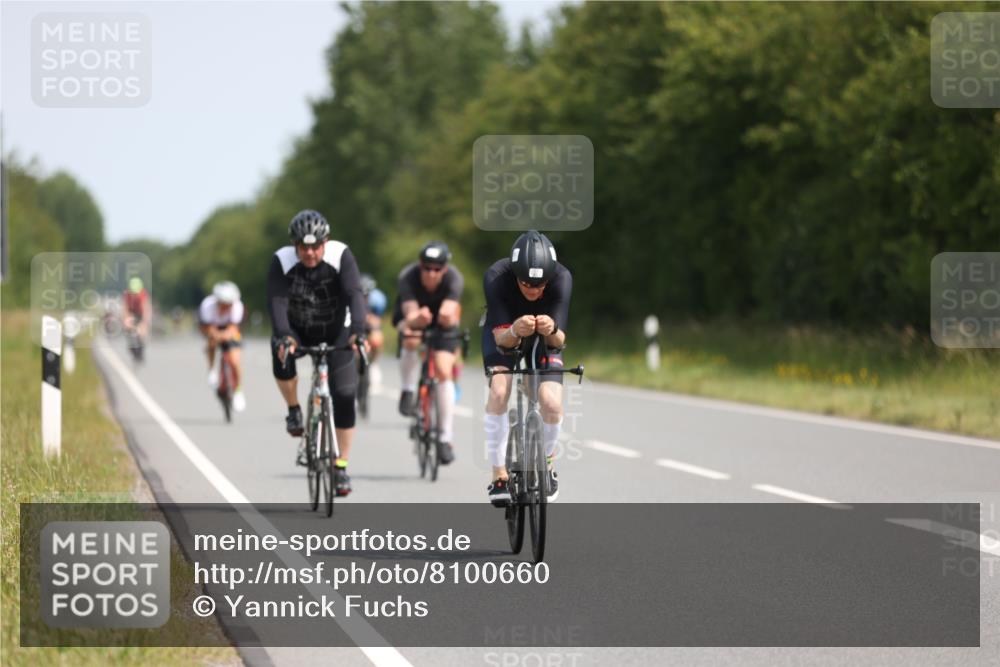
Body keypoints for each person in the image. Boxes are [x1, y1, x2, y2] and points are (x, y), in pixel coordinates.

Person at [267, 209, 368, 496]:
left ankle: (341, 466)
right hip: (298, 329)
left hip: (336, 329)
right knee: (280, 351)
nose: (309, 253)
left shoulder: (340, 256)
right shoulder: (282, 261)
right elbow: (276, 302)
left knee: (346, 395)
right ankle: (294, 410)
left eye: (315, 246)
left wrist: (359, 330)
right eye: (303, 247)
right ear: (294, 245)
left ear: (326, 242)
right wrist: (285, 336)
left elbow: (355, 294)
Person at [482, 230, 571, 504]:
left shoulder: (562, 278)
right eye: (526, 284)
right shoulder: (496, 276)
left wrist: (552, 328)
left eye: (539, 285)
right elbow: (501, 340)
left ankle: (547, 463)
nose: (533, 291)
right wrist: (514, 330)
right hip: (505, 333)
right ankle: (499, 473)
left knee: (551, 404)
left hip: (544, 339)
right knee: (499, 390)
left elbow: (560, 340)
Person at [392, 241, 464, 464]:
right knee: (411, 340)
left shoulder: (454, 278)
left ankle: (444, 438)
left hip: (443, 323)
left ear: (444, 269)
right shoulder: (408, 276)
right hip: (414, 316)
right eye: (427, 268)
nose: (431, 274)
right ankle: (407, 390)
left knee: (443, 370)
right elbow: (410, 312)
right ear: (420, 266)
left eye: (437, 269)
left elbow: (450, 311)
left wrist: (445, 317)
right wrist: (416, 319)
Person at [198, 280, 246, 412]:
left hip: (229, 328)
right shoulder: (207, 306)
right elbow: (206, 327)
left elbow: (234, 328)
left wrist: (225, 335)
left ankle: (238, 390)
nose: (227, 307)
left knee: (235, 360)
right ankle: (211, 369)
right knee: (211, 343)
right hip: (211, 326)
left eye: (229, 304)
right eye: (224, 304)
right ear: (218, 301)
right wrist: (215, 336)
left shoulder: (237, 307)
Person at [360, 273, 387, 390]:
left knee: (376, 338)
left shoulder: (378, 299)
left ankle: (374, 363)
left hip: (369, 323)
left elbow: (377, 320)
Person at [121, 276, 151, 342]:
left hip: (141, 312)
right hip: (131, 312)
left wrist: (144, 323)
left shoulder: (143, 294)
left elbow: (146, 310)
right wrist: (126, 320)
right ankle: (131, 338)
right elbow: (125, 310)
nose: (134, 295)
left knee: (143, 329)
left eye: (136, 293)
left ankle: (141, 340)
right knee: (127, 325)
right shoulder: (126, 295)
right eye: (133, 293)